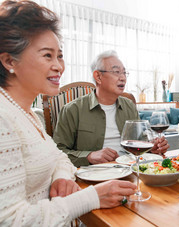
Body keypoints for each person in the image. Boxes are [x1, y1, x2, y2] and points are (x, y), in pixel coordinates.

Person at [0, 1, 136, 226]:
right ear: (9, 61)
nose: (59, 66)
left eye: (59, 56)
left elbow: (59, 157)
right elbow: (10, 220)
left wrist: (61, 175)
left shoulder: (28, 115)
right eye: (47, 55)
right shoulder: (3, 118)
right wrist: (91, 197)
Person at [53, 50, 169, 167]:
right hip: (93, 174)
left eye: (124, 73)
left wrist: (152, 147)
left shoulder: (129, 106)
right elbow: (57, 153)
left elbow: (141, 142)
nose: (123, 78)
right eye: (116, 72)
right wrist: (89, 156)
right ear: (98, 76)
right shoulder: (72, 110)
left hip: (131, 169)